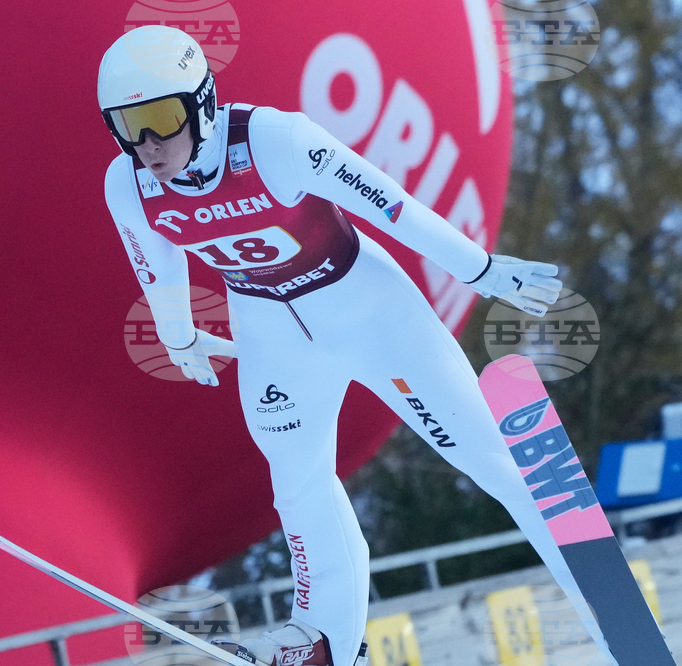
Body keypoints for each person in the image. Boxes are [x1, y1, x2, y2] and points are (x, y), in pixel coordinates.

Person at [99, 25, 607, 666]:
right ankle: (327, 640)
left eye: (161, 118)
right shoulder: (129, 185)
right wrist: (177, 339)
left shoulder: (276, 141)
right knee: (298, 483)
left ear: (202, 102)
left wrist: (478, 269)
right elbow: (157, 263)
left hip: (368, 312)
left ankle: (599, 598)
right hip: (270, 332)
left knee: (487, 458)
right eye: (126, 125)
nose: (146, 144)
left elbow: (389, 205)